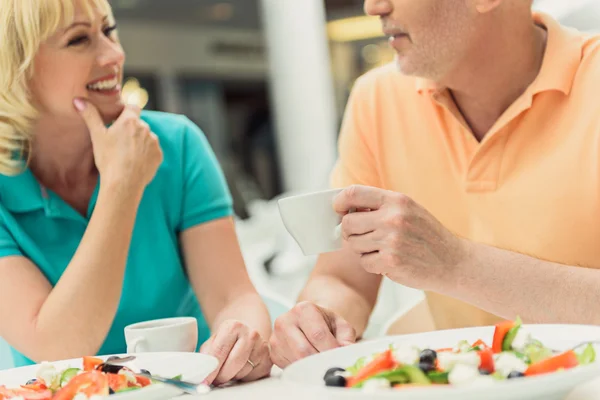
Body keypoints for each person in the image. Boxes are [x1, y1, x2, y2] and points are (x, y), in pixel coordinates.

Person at [269, 0, 600, 368]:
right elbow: (343, 281)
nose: (373, 6)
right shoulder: (376, 99)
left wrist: (458, 265)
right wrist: (318, 321)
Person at [0, 0, 272, 385]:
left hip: (183, 391)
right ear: (16, 67)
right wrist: (121, 185)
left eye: (109, 31)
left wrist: (243, 335)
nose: (115, 54)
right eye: (80, 39)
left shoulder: (176, 145)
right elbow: (58, 345)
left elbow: (232, 296)